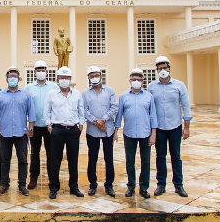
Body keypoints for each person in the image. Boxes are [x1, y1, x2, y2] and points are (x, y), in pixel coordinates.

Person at [148, 56, 192, 198]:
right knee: (160, 156)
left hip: (175, 126)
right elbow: (150, 108)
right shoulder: (152, 87)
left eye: (165, 68)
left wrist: (186, 127)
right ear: (157, 70)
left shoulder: (179, 85)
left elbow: (185, 106)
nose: (162, 71)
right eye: (160, 68)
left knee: (176, 156)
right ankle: (161, 185)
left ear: (169, 69)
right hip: (159, 128)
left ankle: (178, 185)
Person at [0, 66, 35, 196]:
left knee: (23, 160)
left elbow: (31, 113)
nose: (13, 79)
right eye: (10, 77)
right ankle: (4, 184)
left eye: (15, 77)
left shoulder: (26, 95)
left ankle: (22, 185)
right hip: (4, 133)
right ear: (6, 79)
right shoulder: (0, 95)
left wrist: (30, 129)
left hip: (21, 133)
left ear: (19, 79)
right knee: (4, 160)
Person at [114, 68, 158, 199]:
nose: (136, 82)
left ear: (143, 82)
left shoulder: (148, 96)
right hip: (129, 133)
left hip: (145, 133)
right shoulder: (123, 96)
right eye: (134, 80)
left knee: (145, 161)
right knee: (130, 161)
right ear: (130, 81)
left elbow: (153, 116)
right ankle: (131, 186)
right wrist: (115, 132)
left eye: (138, 80)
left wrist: (153, 133)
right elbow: (119, 115)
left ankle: (144, 187)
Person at [44, 66, 85, 199]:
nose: (64, 80)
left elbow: (81, 111)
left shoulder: (77, 94)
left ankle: (74, 186)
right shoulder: (51, 94)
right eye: (62, 78)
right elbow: (47, 112)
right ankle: (54, 187)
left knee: (73, 160)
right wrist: (50, 127)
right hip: (58, 130)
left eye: (67, 78)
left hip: (73, 130)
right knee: (55, 160)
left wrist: (80, 126)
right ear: (57, 79)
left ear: (70, 79)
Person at [82, 66, 118, 197]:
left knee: (109, 158)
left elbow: (114, 107)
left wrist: (103, 119)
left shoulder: (109, 91)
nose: (94, 78)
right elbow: (84, 110)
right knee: (92, 158)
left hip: (107, 130)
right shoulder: (85, 93)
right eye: (91, 76)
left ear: (101, 76)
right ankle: (92, 184)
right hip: (92, 130)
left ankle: (109, 185)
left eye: (96, 75)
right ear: (88, 78)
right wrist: (95, 121)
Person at [25, 60, 57, 190]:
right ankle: (33, 179)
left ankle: (52, 178)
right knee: (34, 153)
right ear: (34, 72)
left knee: (51, 153)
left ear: (47, 72)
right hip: (35, 126)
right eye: (38, 70)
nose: (41, 72)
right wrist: (28, 127)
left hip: (50, 127)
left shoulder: (54, 87)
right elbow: (26, 107)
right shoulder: (28, 88)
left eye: (43, 70)